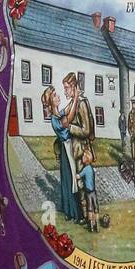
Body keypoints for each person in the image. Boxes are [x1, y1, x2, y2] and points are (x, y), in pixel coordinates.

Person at [41, 84, 80, 223]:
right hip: (66, 149)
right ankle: (72, 212)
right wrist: (75, 98)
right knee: (69, 181)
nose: (58, 97)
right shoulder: (55, 118)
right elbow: (67, 121)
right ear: (51, 101)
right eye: (55, 95)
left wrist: (74, 99)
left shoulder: (60, 113)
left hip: (69, 148)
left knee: (72, 180)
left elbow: (68, 111)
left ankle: (73, 212)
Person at [62, 72, 96, 223]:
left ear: (74, 87)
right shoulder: (73, 103)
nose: (65, 91)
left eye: (67, 88)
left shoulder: (81, 103)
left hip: (82, 150)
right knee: (79, 185)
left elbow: (87, 130)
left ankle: (88, 218)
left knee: (83, 186)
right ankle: (83, 216)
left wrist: (70, 128)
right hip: (75, 150)